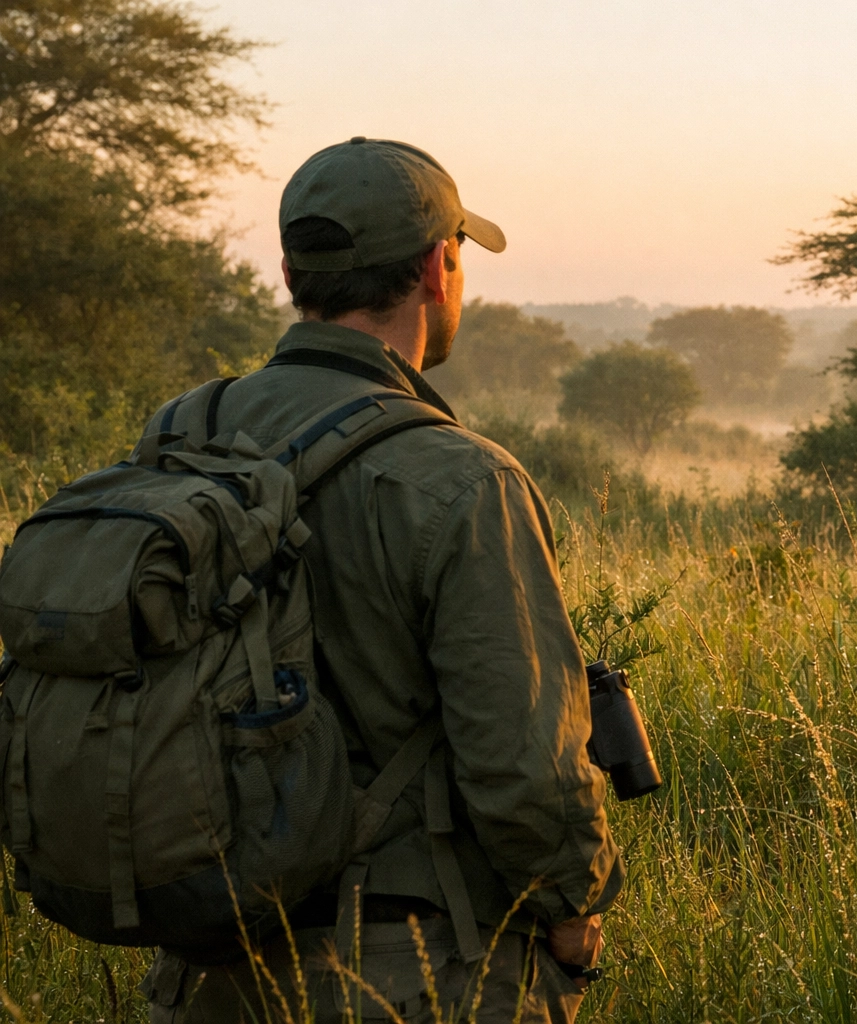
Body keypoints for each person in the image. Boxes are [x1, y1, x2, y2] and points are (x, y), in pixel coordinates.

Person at [137, 137, 623, 1023]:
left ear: (291, 269)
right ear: (439, 269)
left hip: (206, 962)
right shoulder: (465, 478)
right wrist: (570, 904)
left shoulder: (179, 432)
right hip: (406, 969)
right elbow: (522, 762)